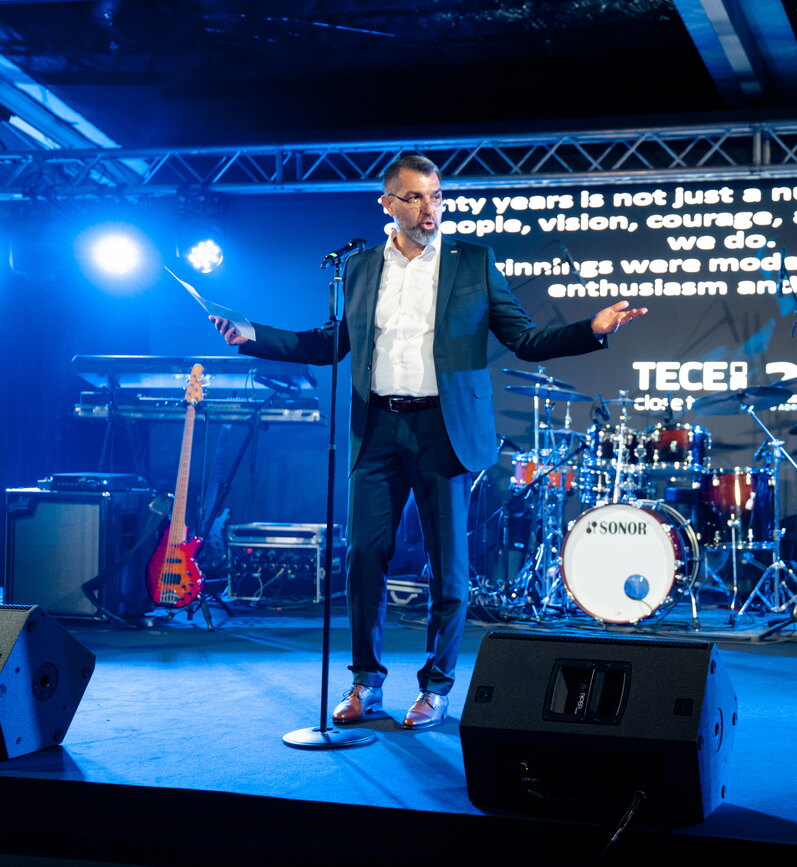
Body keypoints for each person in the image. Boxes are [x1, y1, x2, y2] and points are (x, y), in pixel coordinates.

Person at [211, 154, 646, 729]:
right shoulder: (360, 267)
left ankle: (435, 688)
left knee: (448, 566)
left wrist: (591, 329)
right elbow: (330, 341)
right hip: (377, 428)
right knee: (363, 556)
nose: (429, 209)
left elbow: (525, 339)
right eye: (415, 197)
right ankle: (365, 682)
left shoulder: (474, 262)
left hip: (443, 428)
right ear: (387, 203)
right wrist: (253, 336)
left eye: (436, 196)